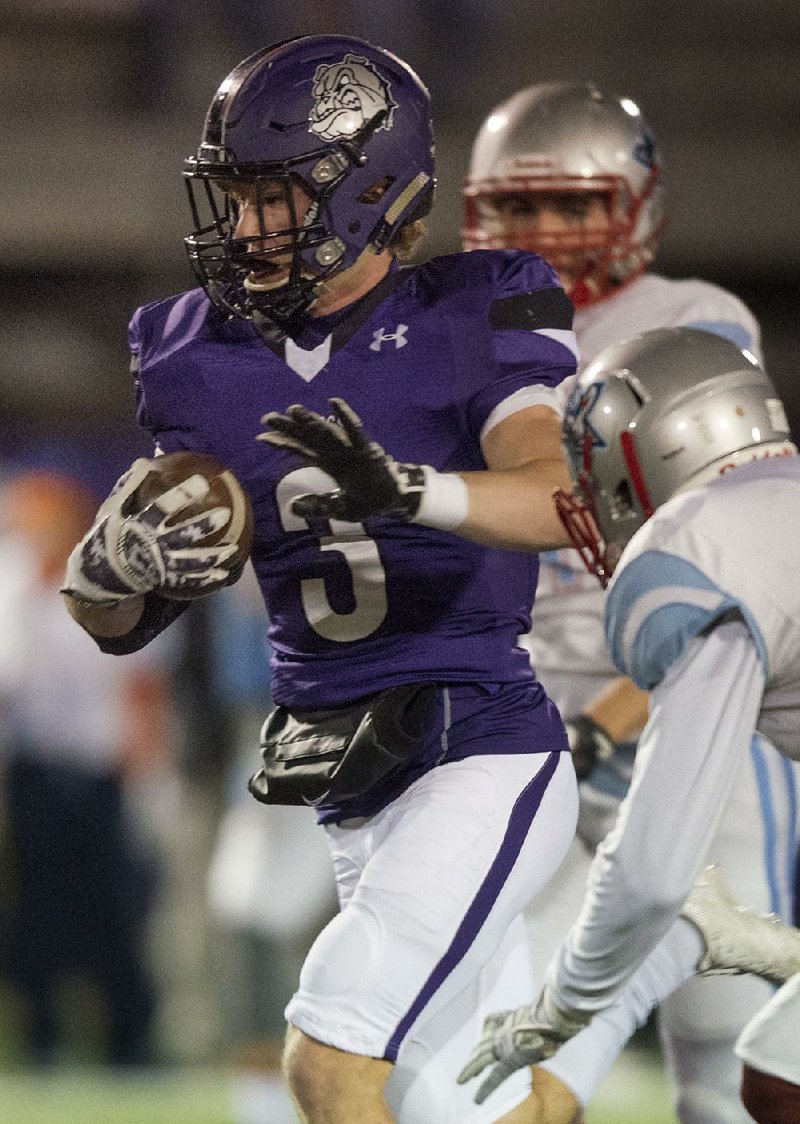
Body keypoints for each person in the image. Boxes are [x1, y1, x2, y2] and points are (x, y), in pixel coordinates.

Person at [60, 34, 585, 1124]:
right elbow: (113, 619)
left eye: (274, 196)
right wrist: (106, 564)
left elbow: (554, 497)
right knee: (474, 1109)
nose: (245, 226)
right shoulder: (190, 353)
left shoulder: (475, 307)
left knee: (327, 1059)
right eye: (235, 196)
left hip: (477, 745)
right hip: (344, 777)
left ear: (371, 190)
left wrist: (412, 490)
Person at [463, 80, 799, 1122]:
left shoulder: (690, 326)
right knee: (511, 1032)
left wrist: (611, 717)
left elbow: (717, 557)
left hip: (690, 701)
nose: (545, 232)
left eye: (572, 203)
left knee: (723, 1059)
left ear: (636, 201)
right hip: (527, 721)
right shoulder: (455, 324)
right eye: (517, 208)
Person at [0, 470, 175, 1066]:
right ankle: (43, 1040)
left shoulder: (108, 577)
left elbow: (141, 686)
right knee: (35, 913)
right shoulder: (10, 585)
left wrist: (151, 777)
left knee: (115, 909)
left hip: (103, 772)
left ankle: (130, 1043)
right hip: (33, 772)